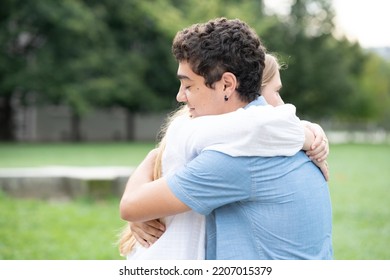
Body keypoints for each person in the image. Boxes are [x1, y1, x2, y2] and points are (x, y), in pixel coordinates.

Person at [120, 18, 333, 259]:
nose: (180, 96)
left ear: (227, 85)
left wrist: (154, 158)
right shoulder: (279, 131)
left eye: (188, 85)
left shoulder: (236, 158)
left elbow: (130, 205)